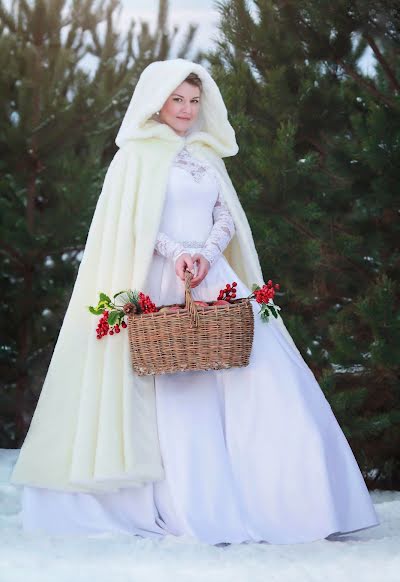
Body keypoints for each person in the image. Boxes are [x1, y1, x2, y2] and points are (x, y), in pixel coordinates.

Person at [11, 59, 380, 545]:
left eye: (193, 101)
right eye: (176, 99)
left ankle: (293, 504)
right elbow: (131, 223)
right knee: (179, 390)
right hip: (161, 278)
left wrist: (206, 252)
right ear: (157, 102)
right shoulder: (135, 156)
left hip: (212, 275)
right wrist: (177, 253)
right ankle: (189, 502)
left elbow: (224, 215)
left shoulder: (206, 156)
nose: (186, 109)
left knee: (265, 375)